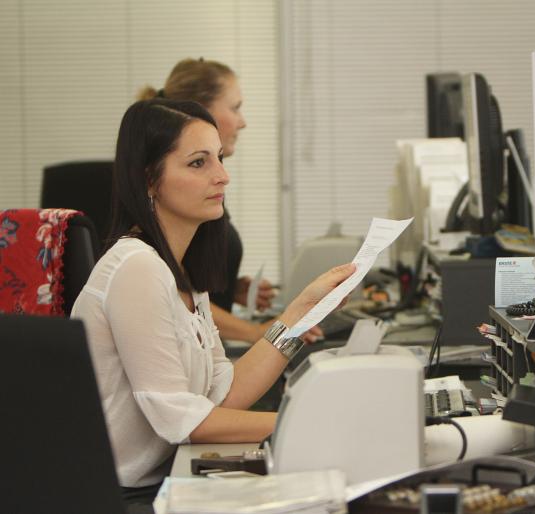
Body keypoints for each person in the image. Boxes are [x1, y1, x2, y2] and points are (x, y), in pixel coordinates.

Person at [70, 98, 355, 506]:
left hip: (161, 479)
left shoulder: (181, 272)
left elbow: (224, 392)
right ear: (150, 180)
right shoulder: (136, 267)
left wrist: (301, 311)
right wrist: (303, 420)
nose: (222, 176)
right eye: (198, 163)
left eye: (219, 158)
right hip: (118, 496)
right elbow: (182, 420)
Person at [137, 58, 314, 344]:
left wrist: (229, 289)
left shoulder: (207, 190)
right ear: (201, 111)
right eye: (235, 108)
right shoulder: (176, 205)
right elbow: (172, 295)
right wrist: (256, 332)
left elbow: (191, 286)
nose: (242, 122)